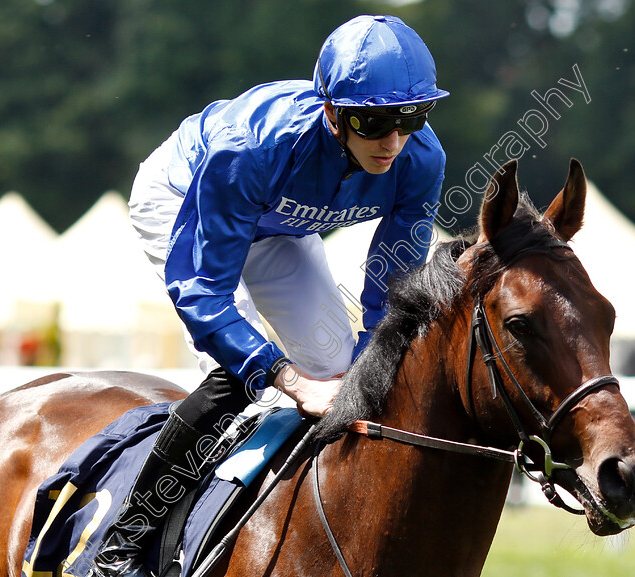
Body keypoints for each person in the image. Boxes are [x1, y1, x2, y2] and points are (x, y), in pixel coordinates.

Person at [90, 14, 449, 576]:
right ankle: (126, 544)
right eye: (373, 121)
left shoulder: (420, 161)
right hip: (187, 195)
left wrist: (354, 366)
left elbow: (388, 298)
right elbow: (203, 296)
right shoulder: (249, 148)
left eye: (412, 117)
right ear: (332, 112)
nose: (394, 141)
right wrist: (284, 376)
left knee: (342, 372)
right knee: (236, 370)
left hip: (281, 227)